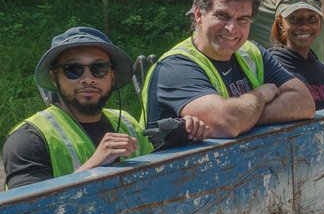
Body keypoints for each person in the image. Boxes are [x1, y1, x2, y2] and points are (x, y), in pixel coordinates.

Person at [4, 27, 207, 189]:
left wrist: (184, 139)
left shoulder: (127, 122)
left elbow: (159, 182)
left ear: (112, 74)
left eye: (98, 69)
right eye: (73, 70)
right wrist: (93, 167)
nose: (87, 79)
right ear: (54, 76)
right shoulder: (29, 138)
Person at [142, 0, 315, 136]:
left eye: (242, 19)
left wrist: (245, 118)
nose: (232, 28)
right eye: (222, 16)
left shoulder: (252, 52)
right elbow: (227, 123)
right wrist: (260, 96)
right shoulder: (175, 67)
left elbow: (304, 102)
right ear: (199, 15)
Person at [268, 0, 324, 110]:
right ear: (281, 24)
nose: (304, 26)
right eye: (294, 18)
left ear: (319, 23)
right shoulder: (269, 66)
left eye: (312, 18)